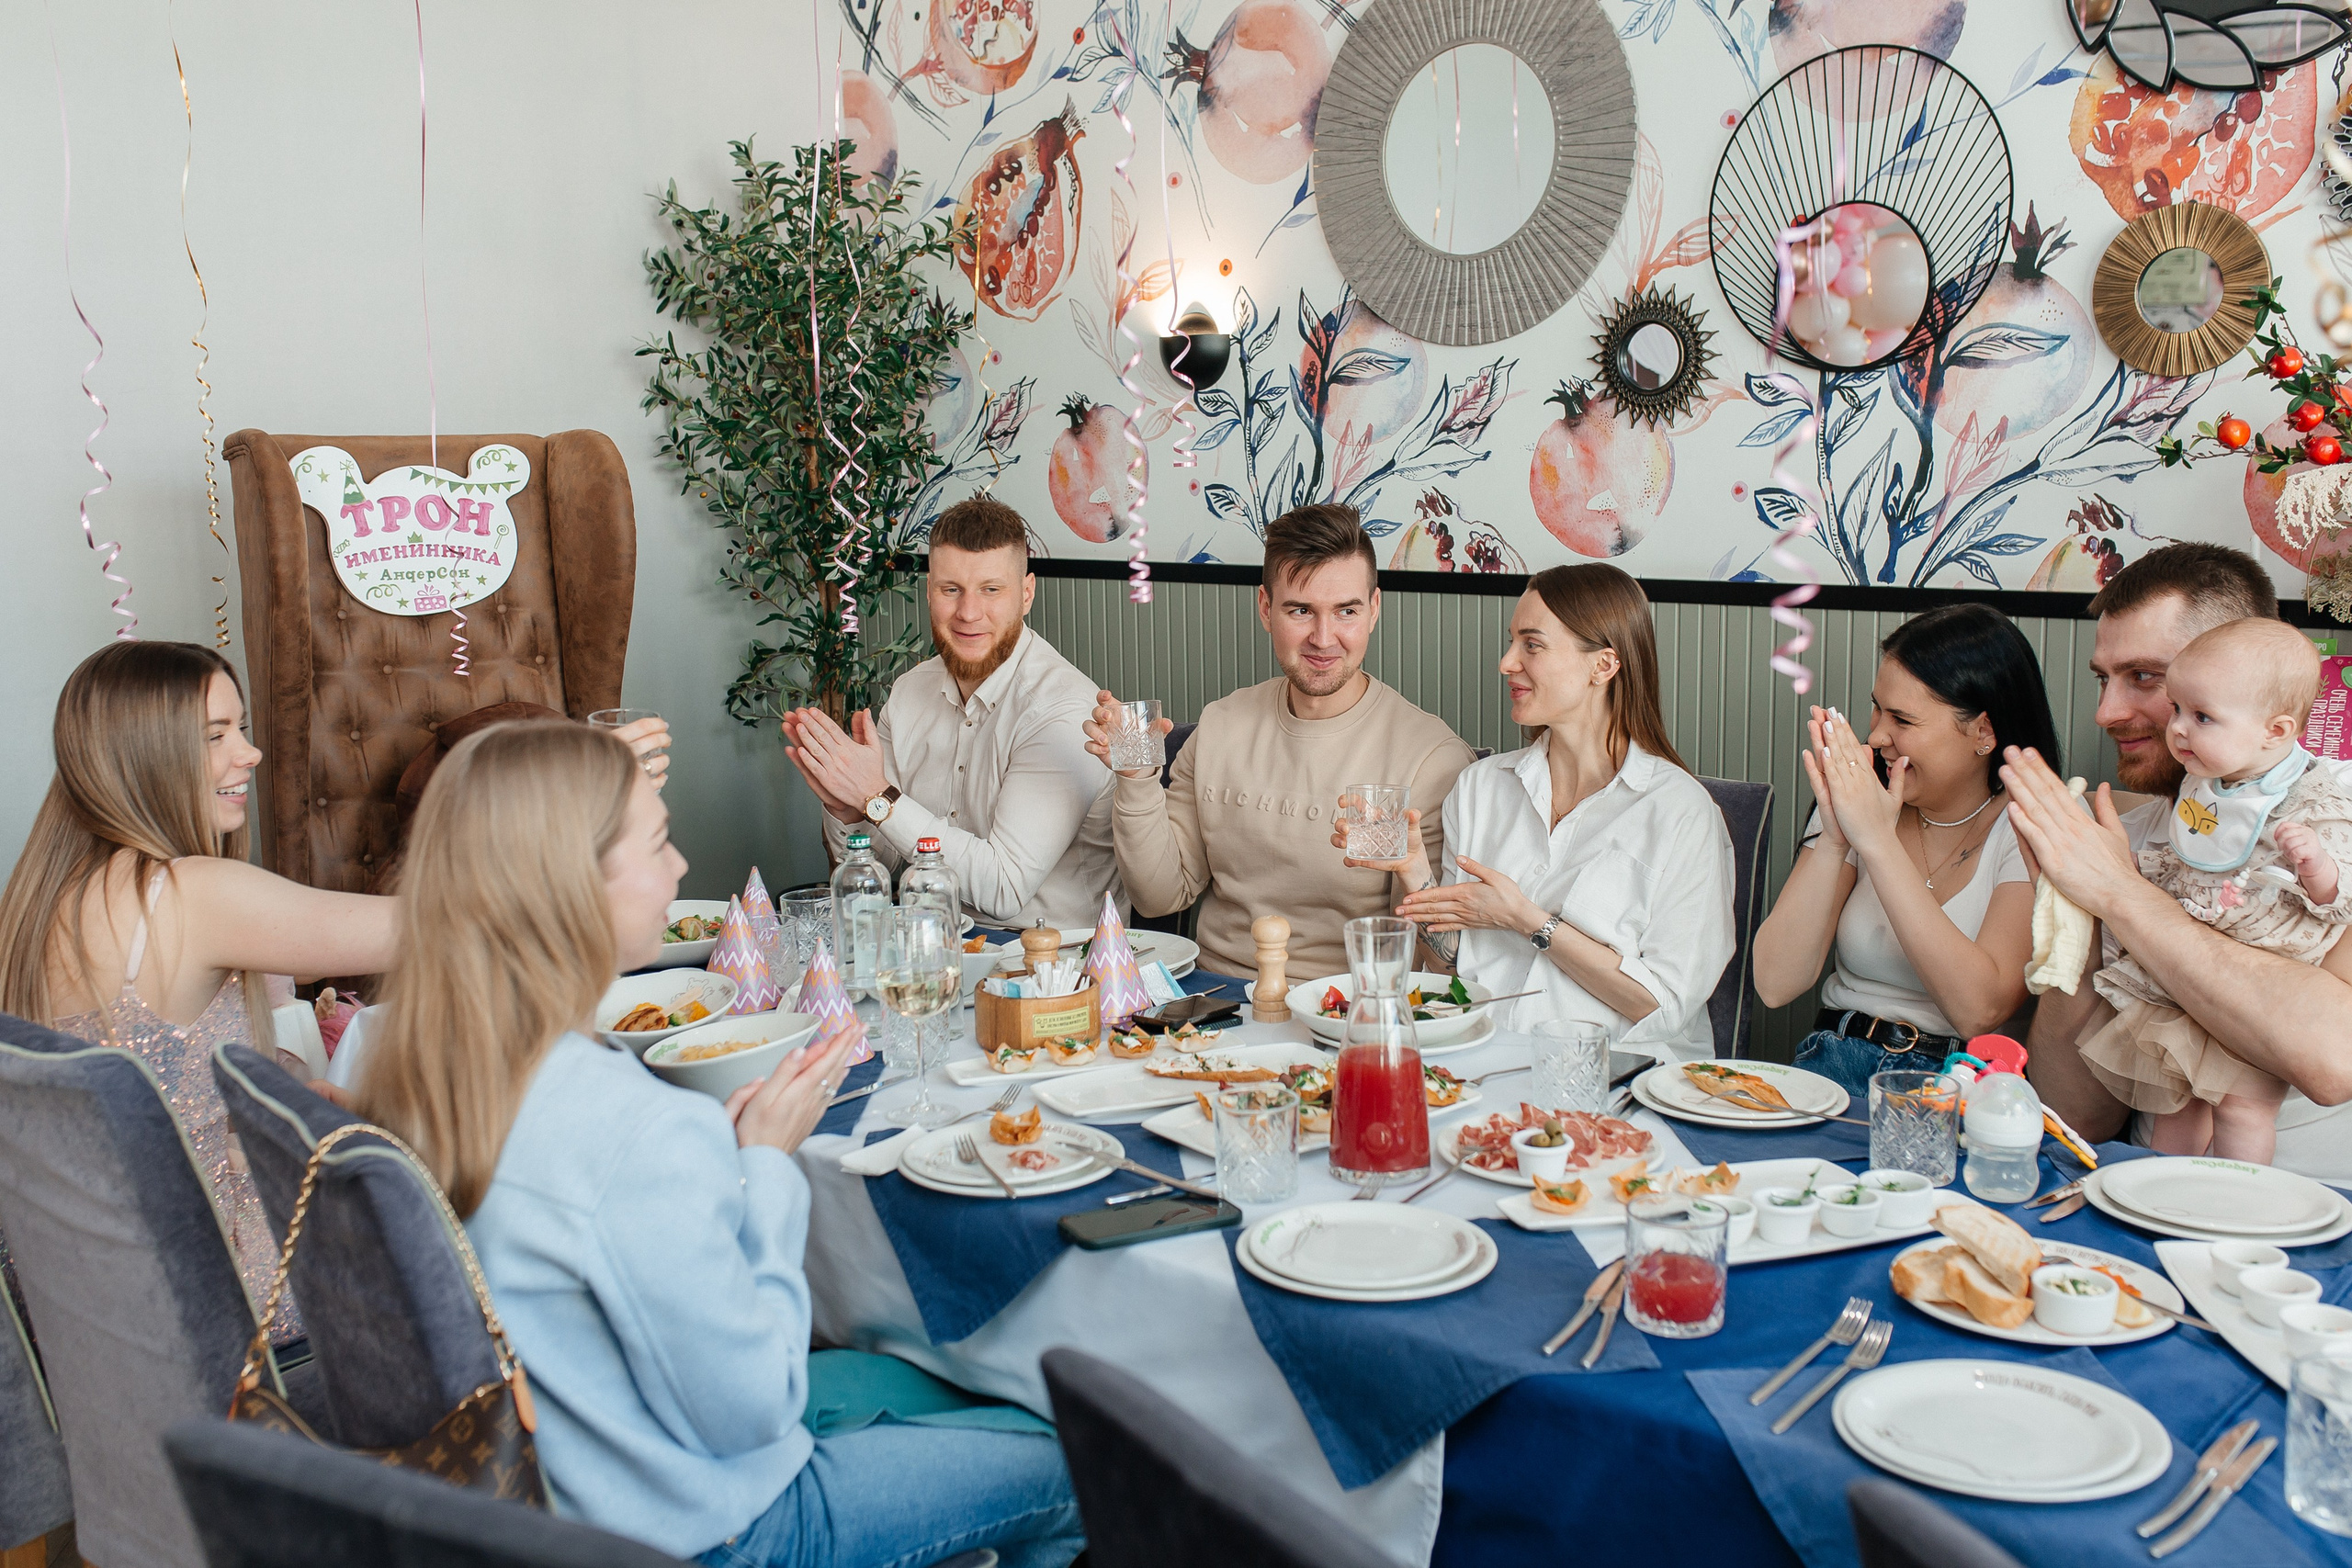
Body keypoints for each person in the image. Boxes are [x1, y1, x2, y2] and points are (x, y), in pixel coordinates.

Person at [356, 721, 1084, 1568]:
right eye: (660, 841)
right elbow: (758, 1404)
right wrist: (766, 1166)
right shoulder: (630, 1126)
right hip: (721, 1529)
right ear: (572, 885)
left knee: (954, 1386)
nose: (679, 868)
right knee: (1085, 1457)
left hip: (555, 1494)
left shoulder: (401, 1061)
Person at [0, 641, 400, 1337]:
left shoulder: (34, 907)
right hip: (236, 1304)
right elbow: (434, 926)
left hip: (96, 1315)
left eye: (239, 729)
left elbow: (149, 1070)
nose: (250, 754)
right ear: (141, 754)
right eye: (217, 735)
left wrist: (275, 1083)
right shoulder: (182, 894)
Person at [2014, 543, 2352, 1179]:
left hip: (2311, 1224)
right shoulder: (2129, 833)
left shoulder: (2334, 821)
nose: (2106, 712)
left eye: (2146, 677)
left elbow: (2333, 1057)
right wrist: (2074, 911)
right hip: (2145, 1193)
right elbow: (2074, 1116)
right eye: (2102, 678)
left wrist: (2121, 894)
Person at [1343, 564, 1735, 1054]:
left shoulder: (1681, 813)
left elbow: (1664, 1006)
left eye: (1532, 644)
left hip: (1617, 1083)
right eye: (1512, 642)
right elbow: (1449, 969)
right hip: (1480, 1062)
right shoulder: (1481, 788)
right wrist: (1414, 871)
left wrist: (1527, 920)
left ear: (1603, 666)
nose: (1507, 662)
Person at [1086, 503, 1476, 980]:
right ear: (1266, 609)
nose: (1323, 637)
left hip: (1343, 1011)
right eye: (1301, 611)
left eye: (1346, 611)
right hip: (1212, 1002)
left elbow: (1430, 964)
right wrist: (1137, 776)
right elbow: (1160, 896)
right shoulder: (1221, 725)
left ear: (1374, 610)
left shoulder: (1429, 758)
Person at [1752, 605, 2061, 1099]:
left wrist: (1876, 842)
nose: (1876, 736)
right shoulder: (1860, 800)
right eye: (1877, 708)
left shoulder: (2028, 824)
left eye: (1903, 719)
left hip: (1962, 1084)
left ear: (1983, 731)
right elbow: (1774, 983)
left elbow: (1979, 1009)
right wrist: (1836, 837)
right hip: (1834, 1058)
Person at [2075, 618, 2352, 1161]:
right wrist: (2129, 874)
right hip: (2187, 969)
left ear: (2275, 732)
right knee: (2172, 1101)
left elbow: (2335, 895)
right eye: (2177, 709)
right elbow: (2186, 862)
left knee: (2243, 1109)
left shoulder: (2319, 794)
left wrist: (2315, 865)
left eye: (2201, 716)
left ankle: (2237, 1197)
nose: (2177, 728)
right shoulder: (2205, 780)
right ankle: (2168, 1185)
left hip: (2261, 977)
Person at [785, 495, 1118, 931]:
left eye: (991, 590)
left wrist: (878, 799)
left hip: (1054, 970)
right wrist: (850, 811)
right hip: (925, 948)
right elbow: (879, 862)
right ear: (929, 591)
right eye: (951, 590)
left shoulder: (1063, 710)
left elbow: (1004, 888)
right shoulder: (908, 693)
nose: (968, 613)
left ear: (1026, 594)